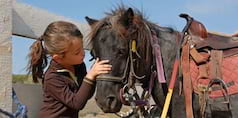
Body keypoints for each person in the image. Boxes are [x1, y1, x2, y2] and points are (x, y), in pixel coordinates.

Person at [27, 21, 112, 118]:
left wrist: (94, 75)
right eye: (77, 52)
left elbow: (85, 96)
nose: (83, 54)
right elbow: (76, 103)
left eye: (82, 49)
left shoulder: (79, 66)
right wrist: (90, 76)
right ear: (58, 58)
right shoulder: (52, 78)